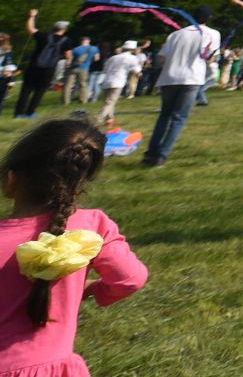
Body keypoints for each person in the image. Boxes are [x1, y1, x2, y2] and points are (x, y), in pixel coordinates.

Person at [0, 120, 148, 373]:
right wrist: (90, 289)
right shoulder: (93, 226)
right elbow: (130, 279)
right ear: (78, 185)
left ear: (12, 179)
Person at [141, 6, 221, 169]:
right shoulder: (213, 34)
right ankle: (161, 156)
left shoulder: (176, 34)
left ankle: (151, 153)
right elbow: (210, 59)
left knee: (164, 116)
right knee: (178, 118)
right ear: (209, 18)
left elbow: (161, 58)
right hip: (191, 78)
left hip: (169, 77)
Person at [13, 14, 74, 120]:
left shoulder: (44, 36)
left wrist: (31, 16)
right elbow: (68, 56)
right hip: (49, 69)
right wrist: (67, 64)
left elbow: (30, 29)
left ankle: (19, 113)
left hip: (34, 66)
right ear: (63, 29)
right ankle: (30, 113)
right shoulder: (66, 40)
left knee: (26, 90)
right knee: (39, 91)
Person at [92, 42, 140, 129]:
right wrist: (139, 75)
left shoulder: (113, 57)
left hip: (107, 81)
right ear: (133, 49)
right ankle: (97, 121)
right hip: (118, 82)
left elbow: (105, 69)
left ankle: (109, 120)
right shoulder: (133, 58)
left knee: (109, 102)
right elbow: (137, 71)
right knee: (109, 103)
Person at [58, 38, 97, 107]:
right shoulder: (94, 49)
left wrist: (67, 66)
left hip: (73, 68)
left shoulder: (75, 49)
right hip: (84, 69)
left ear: (81, 41)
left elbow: (69, 59)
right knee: (83, 85)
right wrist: (89, 61)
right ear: (88, 41)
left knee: (68, 85)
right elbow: (96, 58)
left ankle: (65, 102)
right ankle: (83, 100)